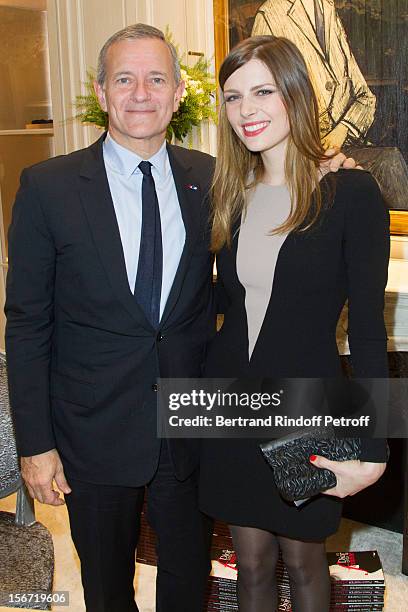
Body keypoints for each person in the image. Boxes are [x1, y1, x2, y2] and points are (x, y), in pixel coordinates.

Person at [5, 22, 356, 612]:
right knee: (106, 586)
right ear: (101, 90)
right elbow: (26, 325)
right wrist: (34, 446)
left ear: (176, 96)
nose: (140, 92)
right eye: (124, 78)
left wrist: (322, 169)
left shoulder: (218, 179)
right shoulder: (47, 187)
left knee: (188, 583)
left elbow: (254, 271)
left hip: (192, 422)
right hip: (91, 428)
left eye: (156, 79)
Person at [199, 35, 389, 612]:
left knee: (306, 562)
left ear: (295, 95)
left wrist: (375, 448)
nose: (246, 110)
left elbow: (369, 333)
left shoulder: (351, 193)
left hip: (307, 402)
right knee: (248, 563)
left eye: (262, 91)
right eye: (233, 97)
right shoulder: (230, 194)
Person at [252, 0, 376, 149]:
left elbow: (366, 97)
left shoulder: (327, 8)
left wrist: (342, 129)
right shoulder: (269, 15)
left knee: (388, 160)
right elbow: (261, 99)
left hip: (345, 145)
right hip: (303, 153)